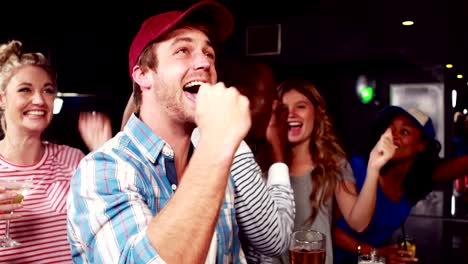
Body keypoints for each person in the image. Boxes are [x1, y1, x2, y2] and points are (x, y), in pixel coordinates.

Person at [66, 1, 254, 263]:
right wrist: (216, 143)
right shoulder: (104, 170)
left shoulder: (214, 166)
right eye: (183, 51)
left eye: (209, 54)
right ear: (143, 75)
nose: (204, 63)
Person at [120, 52, 295, 263]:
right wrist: (278, 149)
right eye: (270, 95)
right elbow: (275, 238)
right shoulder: (223, 143)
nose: (277, 106)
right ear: (242, 97)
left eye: (209, 54)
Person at [271, 79, 394, 264]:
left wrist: (373, 168)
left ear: (317, 114)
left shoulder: (333, 162)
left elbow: (358, 222)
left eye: (301, 106)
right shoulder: (262, 165)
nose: (291, 114)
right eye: (283, 108)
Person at [333, 105, 468, 264]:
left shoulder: (413, 183)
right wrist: (376, 253)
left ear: (421, 145)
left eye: (404, 132)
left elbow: (455, 167)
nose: (394, 136)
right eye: (390, 130)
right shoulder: (358, 168)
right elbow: (329, 228)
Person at [0, 40, 86, 263]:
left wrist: (102, 152)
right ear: (1, 99)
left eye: (47, 90)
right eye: (25, 89)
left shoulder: (73, 159)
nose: (39, 100)